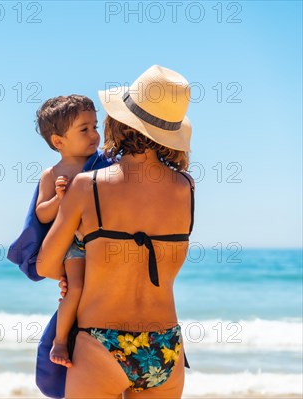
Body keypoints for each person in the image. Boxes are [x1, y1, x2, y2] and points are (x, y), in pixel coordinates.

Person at [36, 65, 195, 398]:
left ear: (120, 121)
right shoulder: (186, 188)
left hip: (102, 341)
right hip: (164, 345)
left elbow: (45, 265)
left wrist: (76, 274)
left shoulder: (87, 186)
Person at [32, 95, 101, 367]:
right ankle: (60, 341)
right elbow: (41, 213)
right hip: (73, 243)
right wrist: (59, 198)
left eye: (95, 126)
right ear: (58, 141)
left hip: (102, 240)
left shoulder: (104, 163)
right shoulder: (52, 174)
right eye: (84, 129)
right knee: (76, 287)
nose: (94, 134)